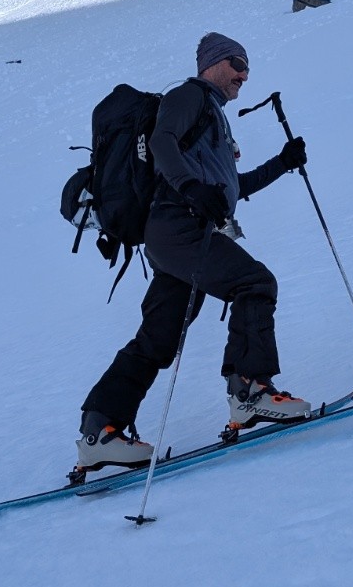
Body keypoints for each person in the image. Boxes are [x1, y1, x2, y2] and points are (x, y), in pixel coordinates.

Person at [73, 32, 311, 481]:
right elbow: (162, 143)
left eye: (248, 68)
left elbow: (230, 189)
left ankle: (98, 432)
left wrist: (283, 162)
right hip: (179, 225)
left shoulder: (213, 120)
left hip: (176, 235)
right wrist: (191, 189)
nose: (244, 74)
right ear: (212, 64)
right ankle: (250, 391)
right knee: (254, 283)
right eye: (237, 63)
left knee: (158, 340)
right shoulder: (188, 96)